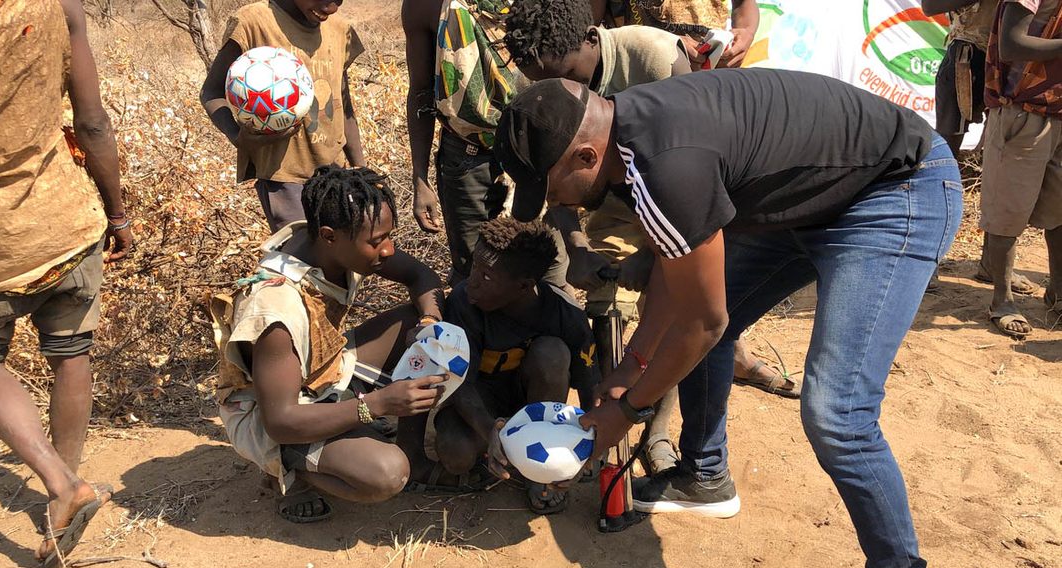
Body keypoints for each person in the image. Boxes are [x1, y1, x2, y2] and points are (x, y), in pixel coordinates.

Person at [493, 74, 961, 568]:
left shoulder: (666, 165)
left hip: (895, 189)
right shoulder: (629, 140)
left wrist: (630, 410)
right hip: (807, 198)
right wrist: (630, 366)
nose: (555, 202)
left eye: (550, 187)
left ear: (584, 156)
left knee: (838, 417)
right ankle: (705, 475)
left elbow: (703, 321)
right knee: (707, 332)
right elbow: (676, 275)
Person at [503, 0, 797, 475]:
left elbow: (693, 188)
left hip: (684, 194)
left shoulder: (655, 58)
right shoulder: (543, 86)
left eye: (570, 75)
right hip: (605, 193)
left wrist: (655, 254)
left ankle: (656, 429)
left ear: (592, 38)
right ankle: (605, 424)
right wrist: (577, 247)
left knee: (678, 311)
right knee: (608, 308)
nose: (564, 89)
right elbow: (554, 180)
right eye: (549, 83)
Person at [0, 0, 133, 566]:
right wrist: (117, 213)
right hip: (65, 223)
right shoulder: (59, 5)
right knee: (71, 355)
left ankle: (61, 483)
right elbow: (92, 123)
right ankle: (64, 493)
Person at [211, 165, 447, 522]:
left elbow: (420, 276)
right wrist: (376, 405)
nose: (388, 249)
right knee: (387, 473)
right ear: (329, 236)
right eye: (377, 241)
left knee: (423, 324)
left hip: (324, 369)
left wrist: (428, 323)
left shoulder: (335, 245)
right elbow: (280, 421)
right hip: (272, 414)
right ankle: (289, 473)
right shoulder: (276, 309)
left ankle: (412, 452)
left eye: (388, 237)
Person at [431, 217, 600, 514]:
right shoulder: (464, 303)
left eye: (486, 276)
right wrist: (489, 430)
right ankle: (502, 452)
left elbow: (590, 385)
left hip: (537, 407)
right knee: (455, 454)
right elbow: (459, 382)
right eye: (474, 267)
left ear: (524, 286)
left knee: (552, 353)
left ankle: (539, 471)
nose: (472, 281)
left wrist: (591, 447)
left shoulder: (565, 314)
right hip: (483, 402)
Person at [402, 0, 568, 287]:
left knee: (547, 266)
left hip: (535, 149)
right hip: (468, 157)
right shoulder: (424, 6)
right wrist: (420, 179)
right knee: (475, 273)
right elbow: (421, 90)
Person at [201, 0, 366, 232]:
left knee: (343, 250)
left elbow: (343, 103)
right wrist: (238, 137)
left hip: (336, 174)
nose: (332, 8)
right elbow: (211, 92)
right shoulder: (253, 23)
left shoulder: (340, 30)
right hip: (284, 181)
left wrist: (361, 170)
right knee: (301, 252)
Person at [924, 0, 1038, 296]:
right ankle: (926, 262)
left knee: (1002, 163)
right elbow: (929, 6)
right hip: (968, 57)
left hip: (1009, 66)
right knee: (943, 160)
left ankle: (993, 265)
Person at [980, 0, 1062, 338]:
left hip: (1058, 110)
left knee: (1059, 212)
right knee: (1008, 211)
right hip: (1023, 111)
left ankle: (1058, 293)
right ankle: (1002, 300)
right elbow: (1012, 45)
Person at [595, 0, 758, 68]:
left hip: (710, 80)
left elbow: (744, 3)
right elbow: (589, 33)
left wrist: (745, 31)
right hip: (640, 79)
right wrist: (660, 44)